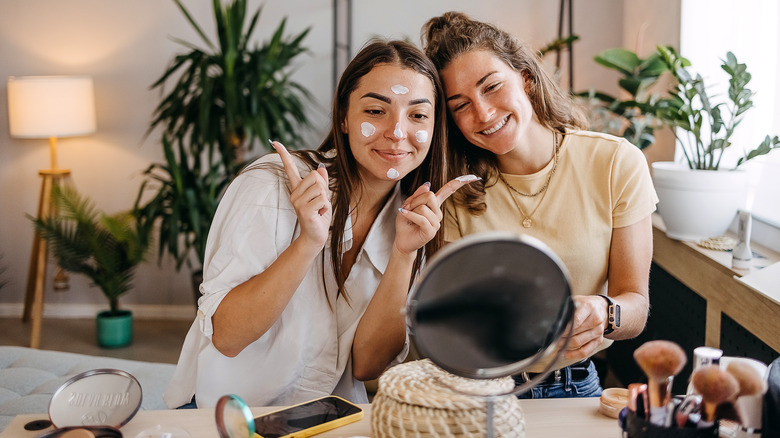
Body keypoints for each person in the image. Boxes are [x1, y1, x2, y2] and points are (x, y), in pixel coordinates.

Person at [163, 40, 477, 409]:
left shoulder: (417, 217)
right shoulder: (270, 184)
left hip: (327, 417)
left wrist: (404, 254)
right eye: (376, 111)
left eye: (418, 115)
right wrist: (308, 243)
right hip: (227, 414)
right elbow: (228, 337)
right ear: (343, 117)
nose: (396, 131)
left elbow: (367, 366)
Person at [421, 12, 658, 399]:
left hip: (574, 384)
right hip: (479, 389)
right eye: (460, 105)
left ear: (526, 78)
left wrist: (605, 312)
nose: (483, 113)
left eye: (492, 87)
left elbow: (635, 307)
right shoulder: (455, 189)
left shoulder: (616, 162)